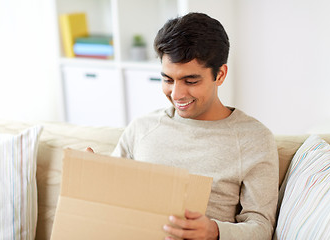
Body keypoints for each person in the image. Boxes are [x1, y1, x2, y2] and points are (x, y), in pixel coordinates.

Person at [109, 12, 278, 240]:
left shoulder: (253, 139)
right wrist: (89, 174)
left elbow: (261, 226)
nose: (176, 94)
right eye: (168, 80)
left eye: (190, 81)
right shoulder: (142, 127)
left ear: (220, 74)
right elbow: (109, 200)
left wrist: (215, 231)